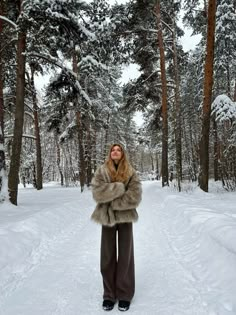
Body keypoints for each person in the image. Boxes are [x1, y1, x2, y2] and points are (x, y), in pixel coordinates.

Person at [91, 143, 142, 312]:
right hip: (107, 217)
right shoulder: (102, 171)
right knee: (107, 256)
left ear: (123, 153)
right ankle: (109, 295)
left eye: (118, 150)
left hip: (125, 216)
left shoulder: (130, 171)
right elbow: (97, 192)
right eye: (113, 150)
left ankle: (125, 294)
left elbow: (135, 195)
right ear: (109, 153)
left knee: (126, 255)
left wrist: (113, 201)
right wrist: (119, 188)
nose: (115, 152)